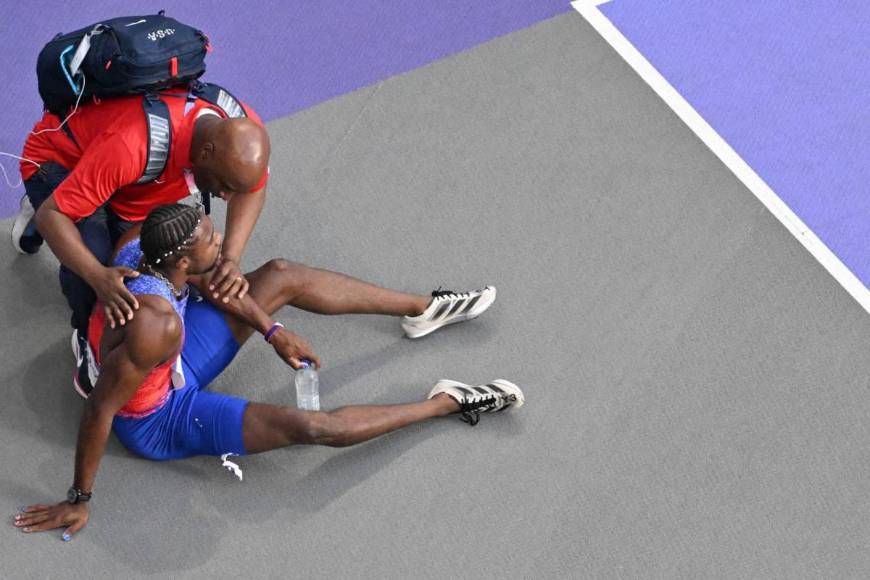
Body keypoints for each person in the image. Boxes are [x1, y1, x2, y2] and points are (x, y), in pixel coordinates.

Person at [13, 203, 523, 541]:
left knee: (279, 274)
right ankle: (448, 402)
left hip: (173, 358)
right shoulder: (157, 324)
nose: (223, 247)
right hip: (158, 416)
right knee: (313, 427)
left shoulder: (141, 243)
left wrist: (273, 332)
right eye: (212, 242)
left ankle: (423, 308)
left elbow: (216, 285)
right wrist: (78, 499)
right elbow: (103, 407)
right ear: (185, 260)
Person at [11, 85, 270, 350]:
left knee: (155, 263)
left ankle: (69, 199)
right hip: (62, 160)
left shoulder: (242, 133)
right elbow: (51, 216)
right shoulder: (132, 147)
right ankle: (87, 340)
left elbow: (252, 188)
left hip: (124, 181)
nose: (226, 197)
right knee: (99, 274)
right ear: (205, 153)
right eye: (224, 186)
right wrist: (98, 276)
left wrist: (231, 257)